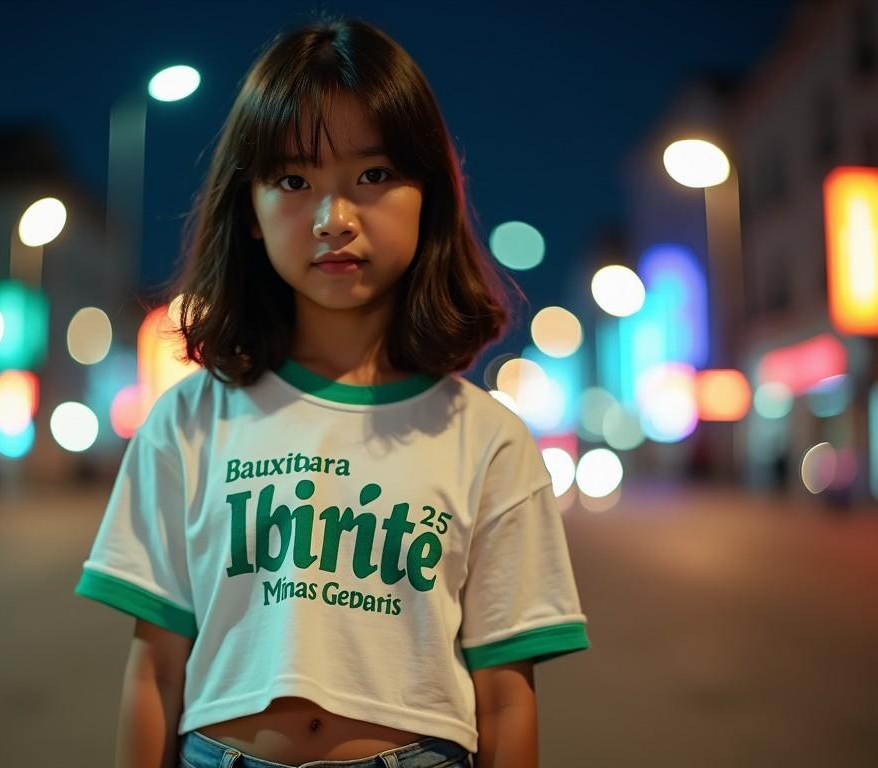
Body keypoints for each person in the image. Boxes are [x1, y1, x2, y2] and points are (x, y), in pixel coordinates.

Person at [75, 14, 590, 768]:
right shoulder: (187, 419)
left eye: (374, 176)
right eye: (293, 180)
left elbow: (506, 698)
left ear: (429, 197)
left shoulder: (487, 438)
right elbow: (155, 670)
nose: (333, 219)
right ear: (248, 210)